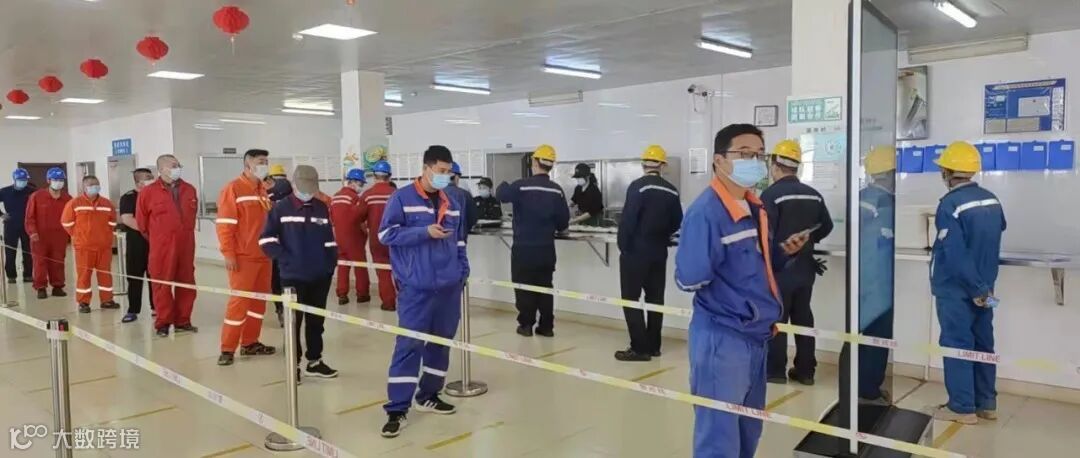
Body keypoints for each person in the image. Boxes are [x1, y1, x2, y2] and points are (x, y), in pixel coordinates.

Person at [675, 124, 807, 458]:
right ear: (719, 160)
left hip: (756, 336)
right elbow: (689, 278)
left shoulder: (754, 206)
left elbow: (754, 264)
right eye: (745, 154)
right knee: (719, 438)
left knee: (748, 432)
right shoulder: (706, 213)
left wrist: (782, 252)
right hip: (723, 338)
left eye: (760, 155)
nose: (755, 162)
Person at [379, 145, 469, 438]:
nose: (445, 176)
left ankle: (429, 394)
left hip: (448, 287)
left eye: (449, 172)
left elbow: (459, 241)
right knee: (409, 345)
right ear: (426, 168)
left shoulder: (451, 202)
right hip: (416, 287)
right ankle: (397, 408)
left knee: (441, 343)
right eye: (441, 171)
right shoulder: (401, 198)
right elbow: (385, 234)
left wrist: (462, 272)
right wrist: (423, 232)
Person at [929, 141, 1006, 425]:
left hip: (957, 290)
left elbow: (955, 252)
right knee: (984, 343)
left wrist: (973, 288)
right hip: (986, 287)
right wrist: (983, 288)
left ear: (948, 172)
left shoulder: (950, 204)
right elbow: (994, 235)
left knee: (957, 343)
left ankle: (962, 408)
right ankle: (986, 404)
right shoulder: (992, 200)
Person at [761, 139, 834, 385]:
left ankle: (775, 371)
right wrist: (807, 241)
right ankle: (806, 370)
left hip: (779, 268)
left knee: (777, 318)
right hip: (805, 268)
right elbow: (826, 226)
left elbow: (764, 235)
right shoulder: (814, 195)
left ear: (774, 165)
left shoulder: (770, 195)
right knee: (803, 317)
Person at [260, 165, 339, 380]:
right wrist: (285, 258)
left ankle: (315, 361)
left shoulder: (321, 208)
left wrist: (330, 263)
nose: (307, 192)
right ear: (294, 184)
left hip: (320, 276)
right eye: (304, 188)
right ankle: (292, 365)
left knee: (316, 322)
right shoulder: (280, 208)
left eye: (311, 188)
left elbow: (329, 239)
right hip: (293, 277)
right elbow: (266, 239)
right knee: (293, 323)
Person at [614, 145, 683, 362]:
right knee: (655, 299)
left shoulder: (637, 187)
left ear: (643, 164)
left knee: (631, 298)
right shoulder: (672, 190)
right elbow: (677, 222)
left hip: (635, 252)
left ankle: (639, 348)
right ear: (662, 165)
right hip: (658, 252)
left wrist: (623, 247)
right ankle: (654, 346)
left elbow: (628, 221)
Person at [497, 144, 570, 337]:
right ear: (551, 165)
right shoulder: (557, 190)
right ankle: (546, 327)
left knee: (524, 287)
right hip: (546, 250)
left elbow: (501, 195)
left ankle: (526, 325)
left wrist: (503, 183)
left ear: (534, 162)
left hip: (523, 249)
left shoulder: (521, 186)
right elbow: (563, 222)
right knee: (545, 287)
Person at [215, 149, 277, 366]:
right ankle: (227, 348)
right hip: (243, 258)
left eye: (266, 161)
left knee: (258, 303)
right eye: (260, 161)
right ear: (248, 164)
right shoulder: (233, 188)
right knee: (239, 304)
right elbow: (225, 225)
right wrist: (228, 253)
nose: (264, 165)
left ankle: (250, 342)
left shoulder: (263, 190)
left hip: (264, 256)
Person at [137, 154, 199, 338]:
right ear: (161, 169)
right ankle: (163, 322)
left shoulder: (189, 189)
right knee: (161, 285)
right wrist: (160, 238)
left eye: (178, 165)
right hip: (162, 247)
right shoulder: (148, 192)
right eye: (173, 165)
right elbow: (142, 223)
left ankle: (183, 321)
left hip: (186, 245)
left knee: (186, 283)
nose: (177, 168)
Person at [857, 146, 897, 406]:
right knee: (876, 336)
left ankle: (866, 386)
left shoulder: (865, 198)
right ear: (889, 173)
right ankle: (868, 389)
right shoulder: (879, 202)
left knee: (868, 336)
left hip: (866, 281)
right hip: (877, 283)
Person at [60, 175, 119, 314]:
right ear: (84, 187)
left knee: (105, 275)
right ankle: (83, 302)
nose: (94, 187)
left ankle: (107, 300)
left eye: (96, 184)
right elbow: (66, 222)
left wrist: (105, 236)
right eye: (91, 184)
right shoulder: (75, 203)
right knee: (84, 275)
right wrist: (79, 235)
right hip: (84, 248)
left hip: (104, 247)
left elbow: (112, 222)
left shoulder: (107, 204)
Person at [25, 167, 71, 299]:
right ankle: (41, 287)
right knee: (39, 262)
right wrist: (32, 232)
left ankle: (58, 286)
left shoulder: (67, 198)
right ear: (48, 180)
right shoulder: (36, 196)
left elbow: (73, 217)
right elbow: (29, 217)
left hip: (60, 237)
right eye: (55, 179)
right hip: (39, 237)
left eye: (61, 180)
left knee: (58, 261)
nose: (58, 182)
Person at [119, 168, 157, 323]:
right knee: (135, 277)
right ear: (139, 182)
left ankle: (156, 308)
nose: (152, 179)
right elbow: (127, 219)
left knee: (155, 277)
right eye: (148, 177)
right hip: (136, 243)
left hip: (156, 243)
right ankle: (133, 310)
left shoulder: (156, 195)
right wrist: (147, 230)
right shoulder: (129, 197)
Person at [358, 160, 397, 311]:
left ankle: (388, 302)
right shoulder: (397, 194)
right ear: (390, 176)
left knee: (383, 272)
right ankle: (406, 300)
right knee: (400, 269)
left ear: (374, 176)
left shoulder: (367, 195)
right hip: (396, 238)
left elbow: (358, 217)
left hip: (377, 239)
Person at [330, 168, 371, 305]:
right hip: (354, 237)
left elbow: (331, 217)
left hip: (339, 237)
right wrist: (365, 232)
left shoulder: (335, 197)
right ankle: (362, 294)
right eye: (361, 183)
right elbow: (359, 217)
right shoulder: (355, 198)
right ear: (353, 182)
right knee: (360, 266)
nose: (361, 187)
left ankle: (342, 294)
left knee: (343, 266)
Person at [265, 164, 292, 327]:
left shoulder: (266, 195)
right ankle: (290, 310)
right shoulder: (293, 192)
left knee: (276, 279)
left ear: (270, 178)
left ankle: (281, 310)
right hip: (292, 243)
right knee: (291, 279)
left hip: (274, 244)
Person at [0, 168, 35, 284]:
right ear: (14, 179)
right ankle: (11, 276)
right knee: (10, 251)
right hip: (11, 225)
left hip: (27, 225)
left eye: (25, 179)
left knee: (28, 251)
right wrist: (1, 215)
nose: (23, 181)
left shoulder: (31, 191)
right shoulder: (5, 191)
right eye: (20, 179)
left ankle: (28, 275)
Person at [446, 162, 479, 236]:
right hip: (459, 238)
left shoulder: (434, 194)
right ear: (456, 177)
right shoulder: (465, 195)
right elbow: (473, 219)